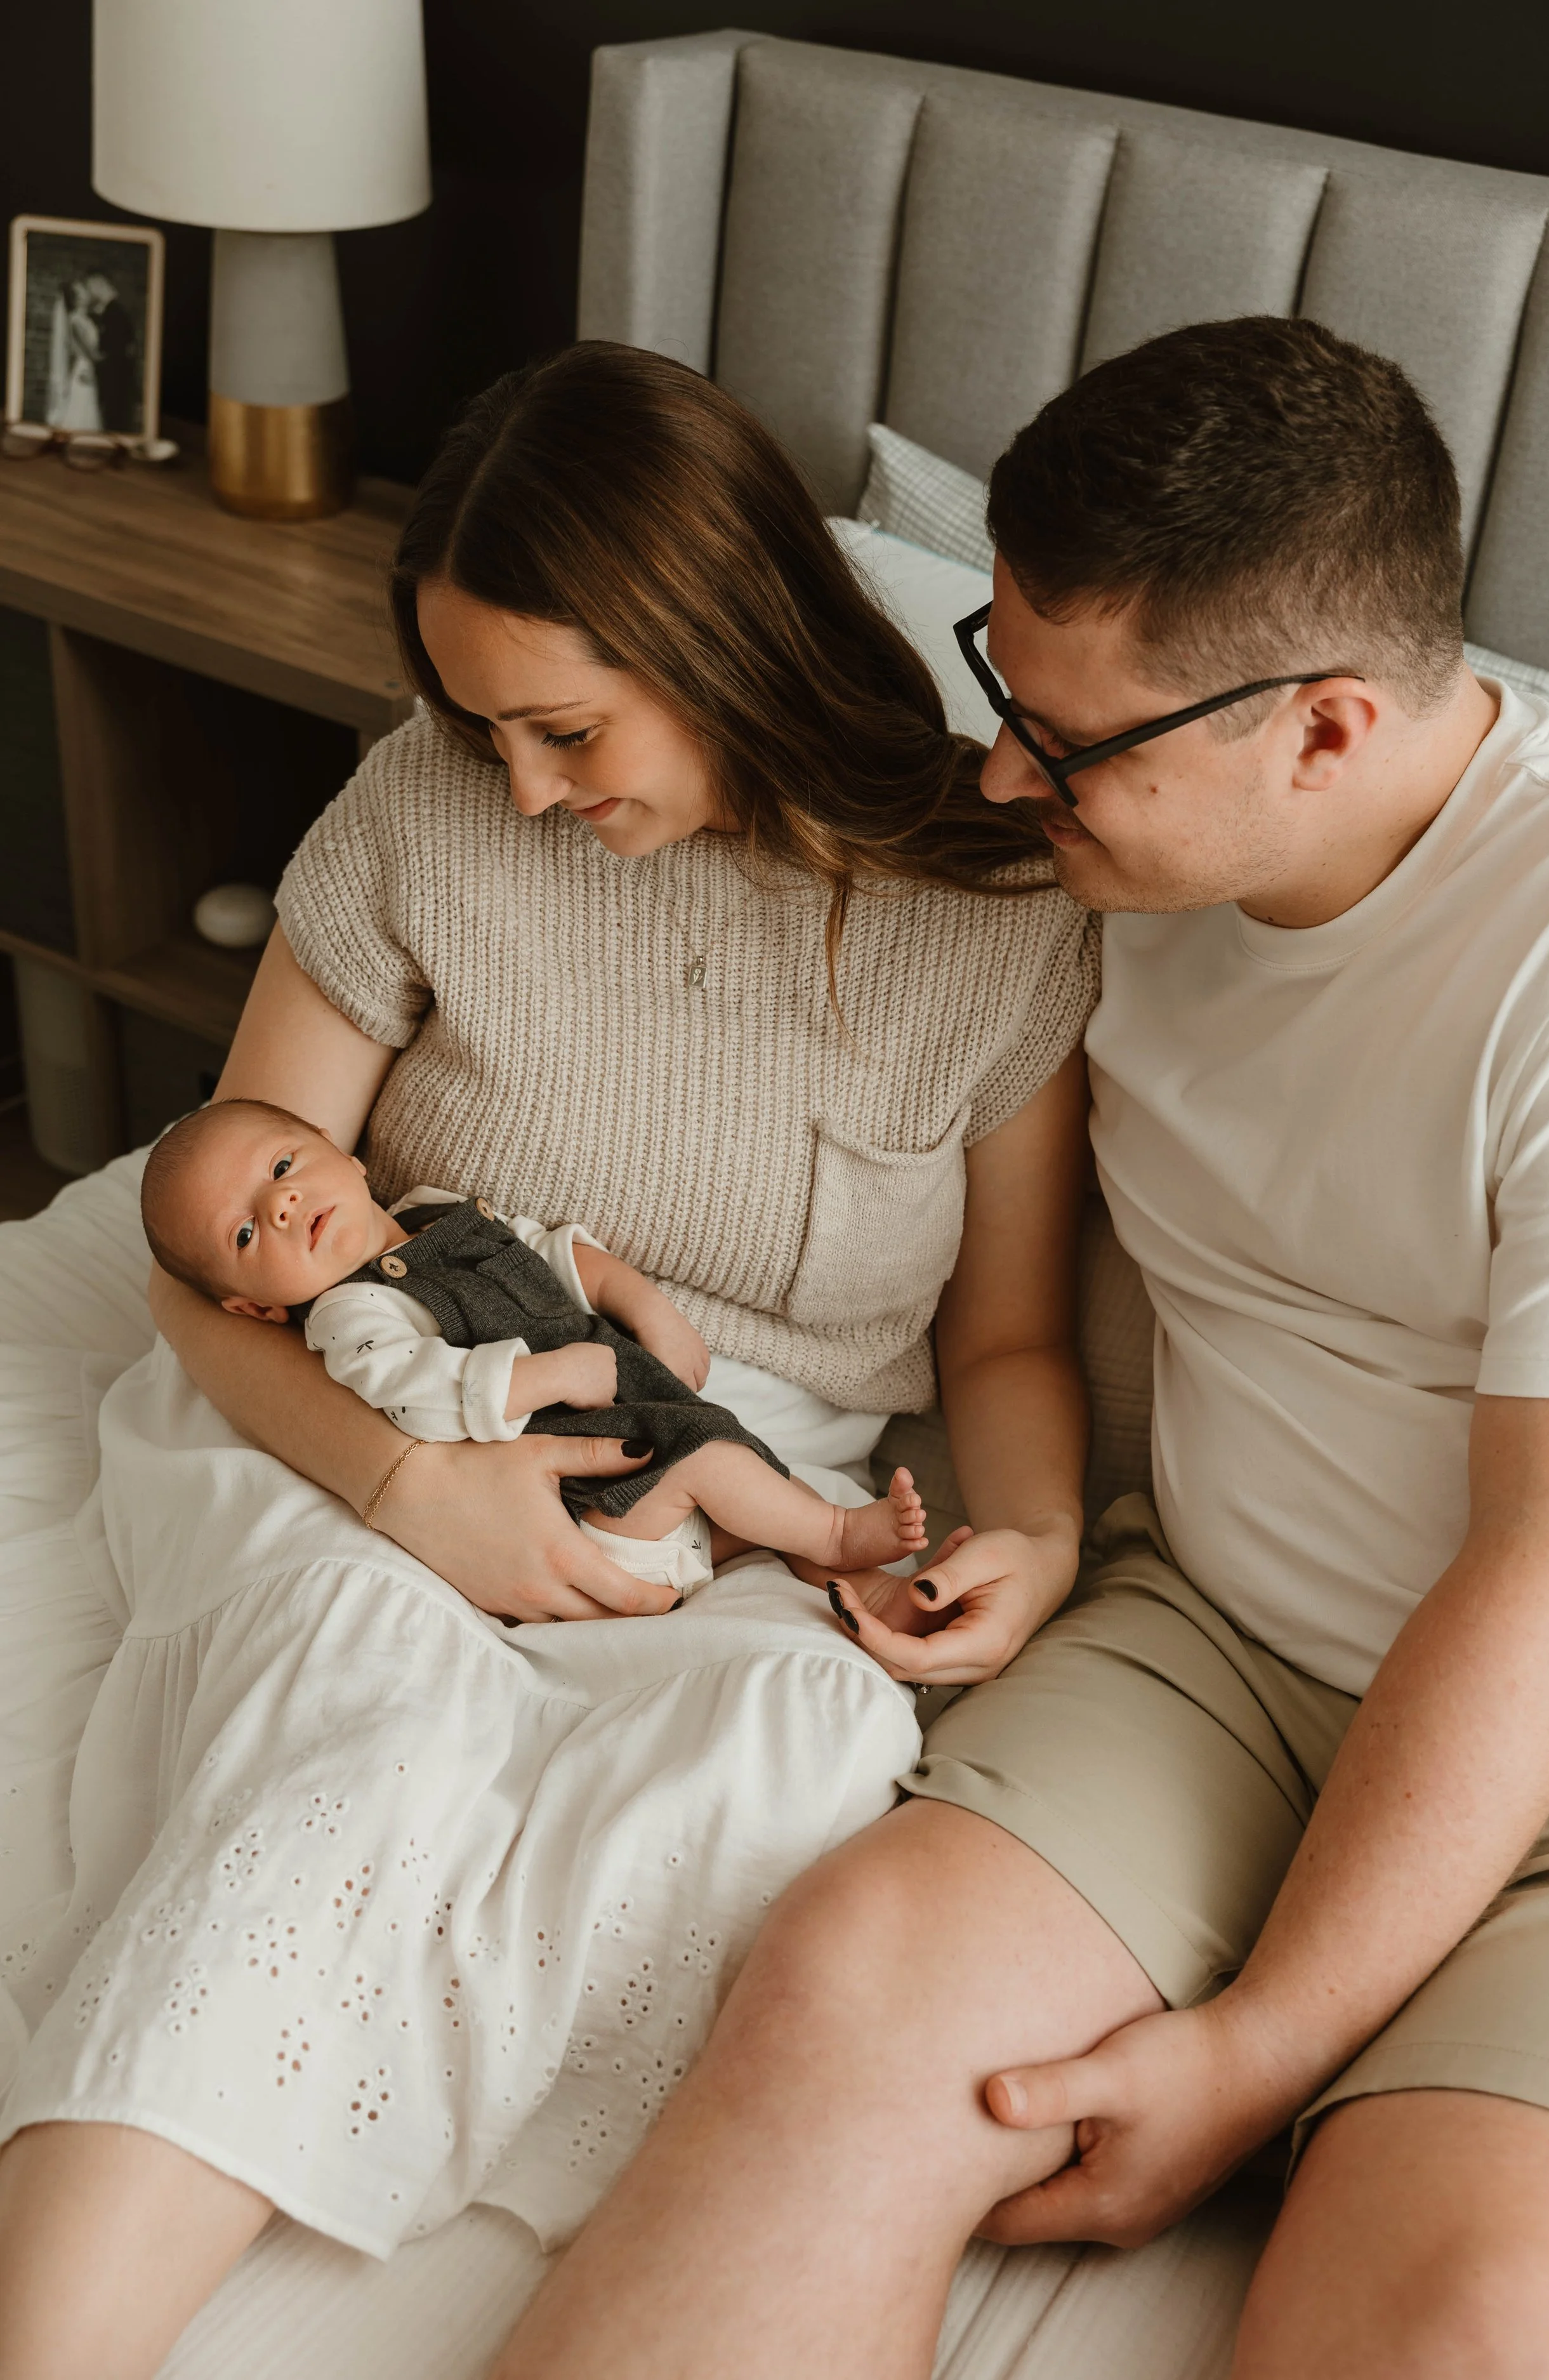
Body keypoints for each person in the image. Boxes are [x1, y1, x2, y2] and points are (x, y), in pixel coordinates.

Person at [501, 317, 1549, 2380]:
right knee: (841, 2005)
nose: (1007, 772)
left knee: (1473, 2324)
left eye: (1070, 741)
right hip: (1214, 1647)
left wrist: (1262, 2051)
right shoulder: (1093, 857)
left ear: (1329, 729)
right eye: (1002, 678)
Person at [0, 343, 1096, 2377]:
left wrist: (1026, 1527)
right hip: (362, 1389)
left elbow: (1010, 1335)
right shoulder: (428, 805)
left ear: (724, 641)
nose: (516, 784)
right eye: (479, 725)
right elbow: (205, 1240)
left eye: (562, 726)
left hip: (716, 1489)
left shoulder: (997, 904)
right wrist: (409, 1484)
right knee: (368, 1728)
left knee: (785, 1758)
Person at [139, 1095, 929, 1598]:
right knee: (716, 1462)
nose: (281, 1203)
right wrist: (549, 1371)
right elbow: (423, 1393)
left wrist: (640, 1301)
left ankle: (851, 1581)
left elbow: (545, 1253)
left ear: (342, 1152)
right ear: (254, 1307)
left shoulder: (432, 1213)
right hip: (586, 1504)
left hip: (634, 1424)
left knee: (742, 1469)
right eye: (245, 1231)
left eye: (283, 1166)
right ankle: (835, 1533)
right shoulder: (348, 1316)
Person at [43, 277, 101, 432]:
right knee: (83, 404)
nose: (86, 293)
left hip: (88, 367)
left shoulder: (85, 318)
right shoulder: (75, 320)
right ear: (77, 299)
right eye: (81, 291)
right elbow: (89, 351)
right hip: (85, 368)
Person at [86, 272, 138, 437]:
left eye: (91, 287)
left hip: (115, 378)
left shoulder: (114, 312)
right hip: (118, 376)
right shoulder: (114, 310)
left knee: (114, 419)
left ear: (100, 283)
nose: (90, 292)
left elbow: (114, 349)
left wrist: (98, 360)